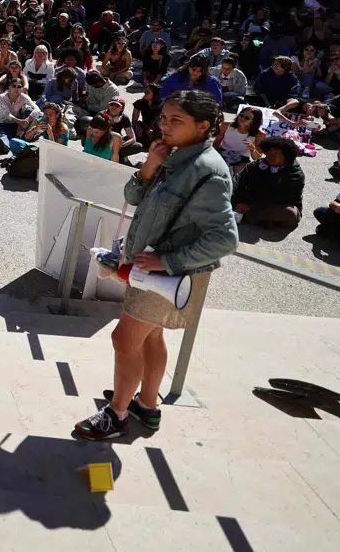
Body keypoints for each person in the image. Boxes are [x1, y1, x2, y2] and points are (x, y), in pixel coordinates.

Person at [74, 90, 237, 441]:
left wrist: (167, 261)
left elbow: (225, 239)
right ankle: (146, 406)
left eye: (176, 120)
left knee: (123, 339)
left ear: (204, 126)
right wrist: (149, 165)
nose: (164, 125)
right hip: (152, 272)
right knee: (152, 337)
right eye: (163, 117)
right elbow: (132, 197)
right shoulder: (173, 156)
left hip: (168, 276)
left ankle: (116, 416)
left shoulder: (209, 171)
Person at [231, 138, 304, 229]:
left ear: (286, 157)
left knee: (290, 213)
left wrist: (251, 205)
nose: (271, 156)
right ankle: (248, 214)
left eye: (276, 154)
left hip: (276, 203)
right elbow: (238, 180)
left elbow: (280, 197)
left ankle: (247, 215)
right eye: (269, 153)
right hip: (253, 198)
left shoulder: (295, 174)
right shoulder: (258, 165)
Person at [214, 107, 264, 172]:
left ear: (254, 121)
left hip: (242, 159)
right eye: (241, 115)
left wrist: (253, 149)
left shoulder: (259, 134)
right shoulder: (226, 125)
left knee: (241, 173)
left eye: (247, 118)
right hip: (224, 153)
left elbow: (258, 158)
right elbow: (216, 143)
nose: (242, 118)